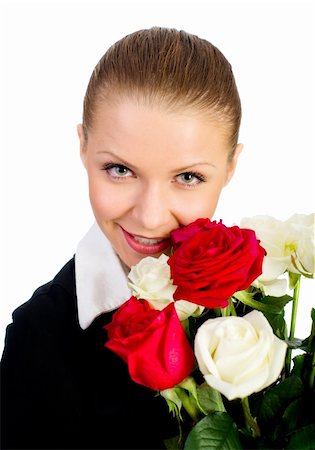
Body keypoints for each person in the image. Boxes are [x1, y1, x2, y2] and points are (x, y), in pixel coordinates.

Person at [1, 27, 242, 449]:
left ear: (231, 165)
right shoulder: (38, 340)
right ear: (83, 146)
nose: (149, 216)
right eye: (120, 170)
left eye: (188, 177)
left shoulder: (260, 303)